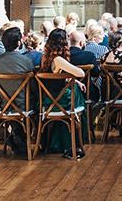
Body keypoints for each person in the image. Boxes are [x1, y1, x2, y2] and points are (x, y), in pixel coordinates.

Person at [38, 29, 88, 158]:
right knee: (78, 96)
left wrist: (75, 82)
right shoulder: (58, 59)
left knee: (75, 88)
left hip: (47, 99)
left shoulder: (44, 57)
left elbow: (56, 76)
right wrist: (77, 79)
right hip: (59, 101)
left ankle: (58, 141)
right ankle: (77, 141)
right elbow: (81, 73)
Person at [0, 26, 36, 155]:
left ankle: (13, 135)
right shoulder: (27, 62)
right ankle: (24, 138)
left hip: (2, 106)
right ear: (19, 43)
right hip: (24, 105)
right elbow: (33, 87)